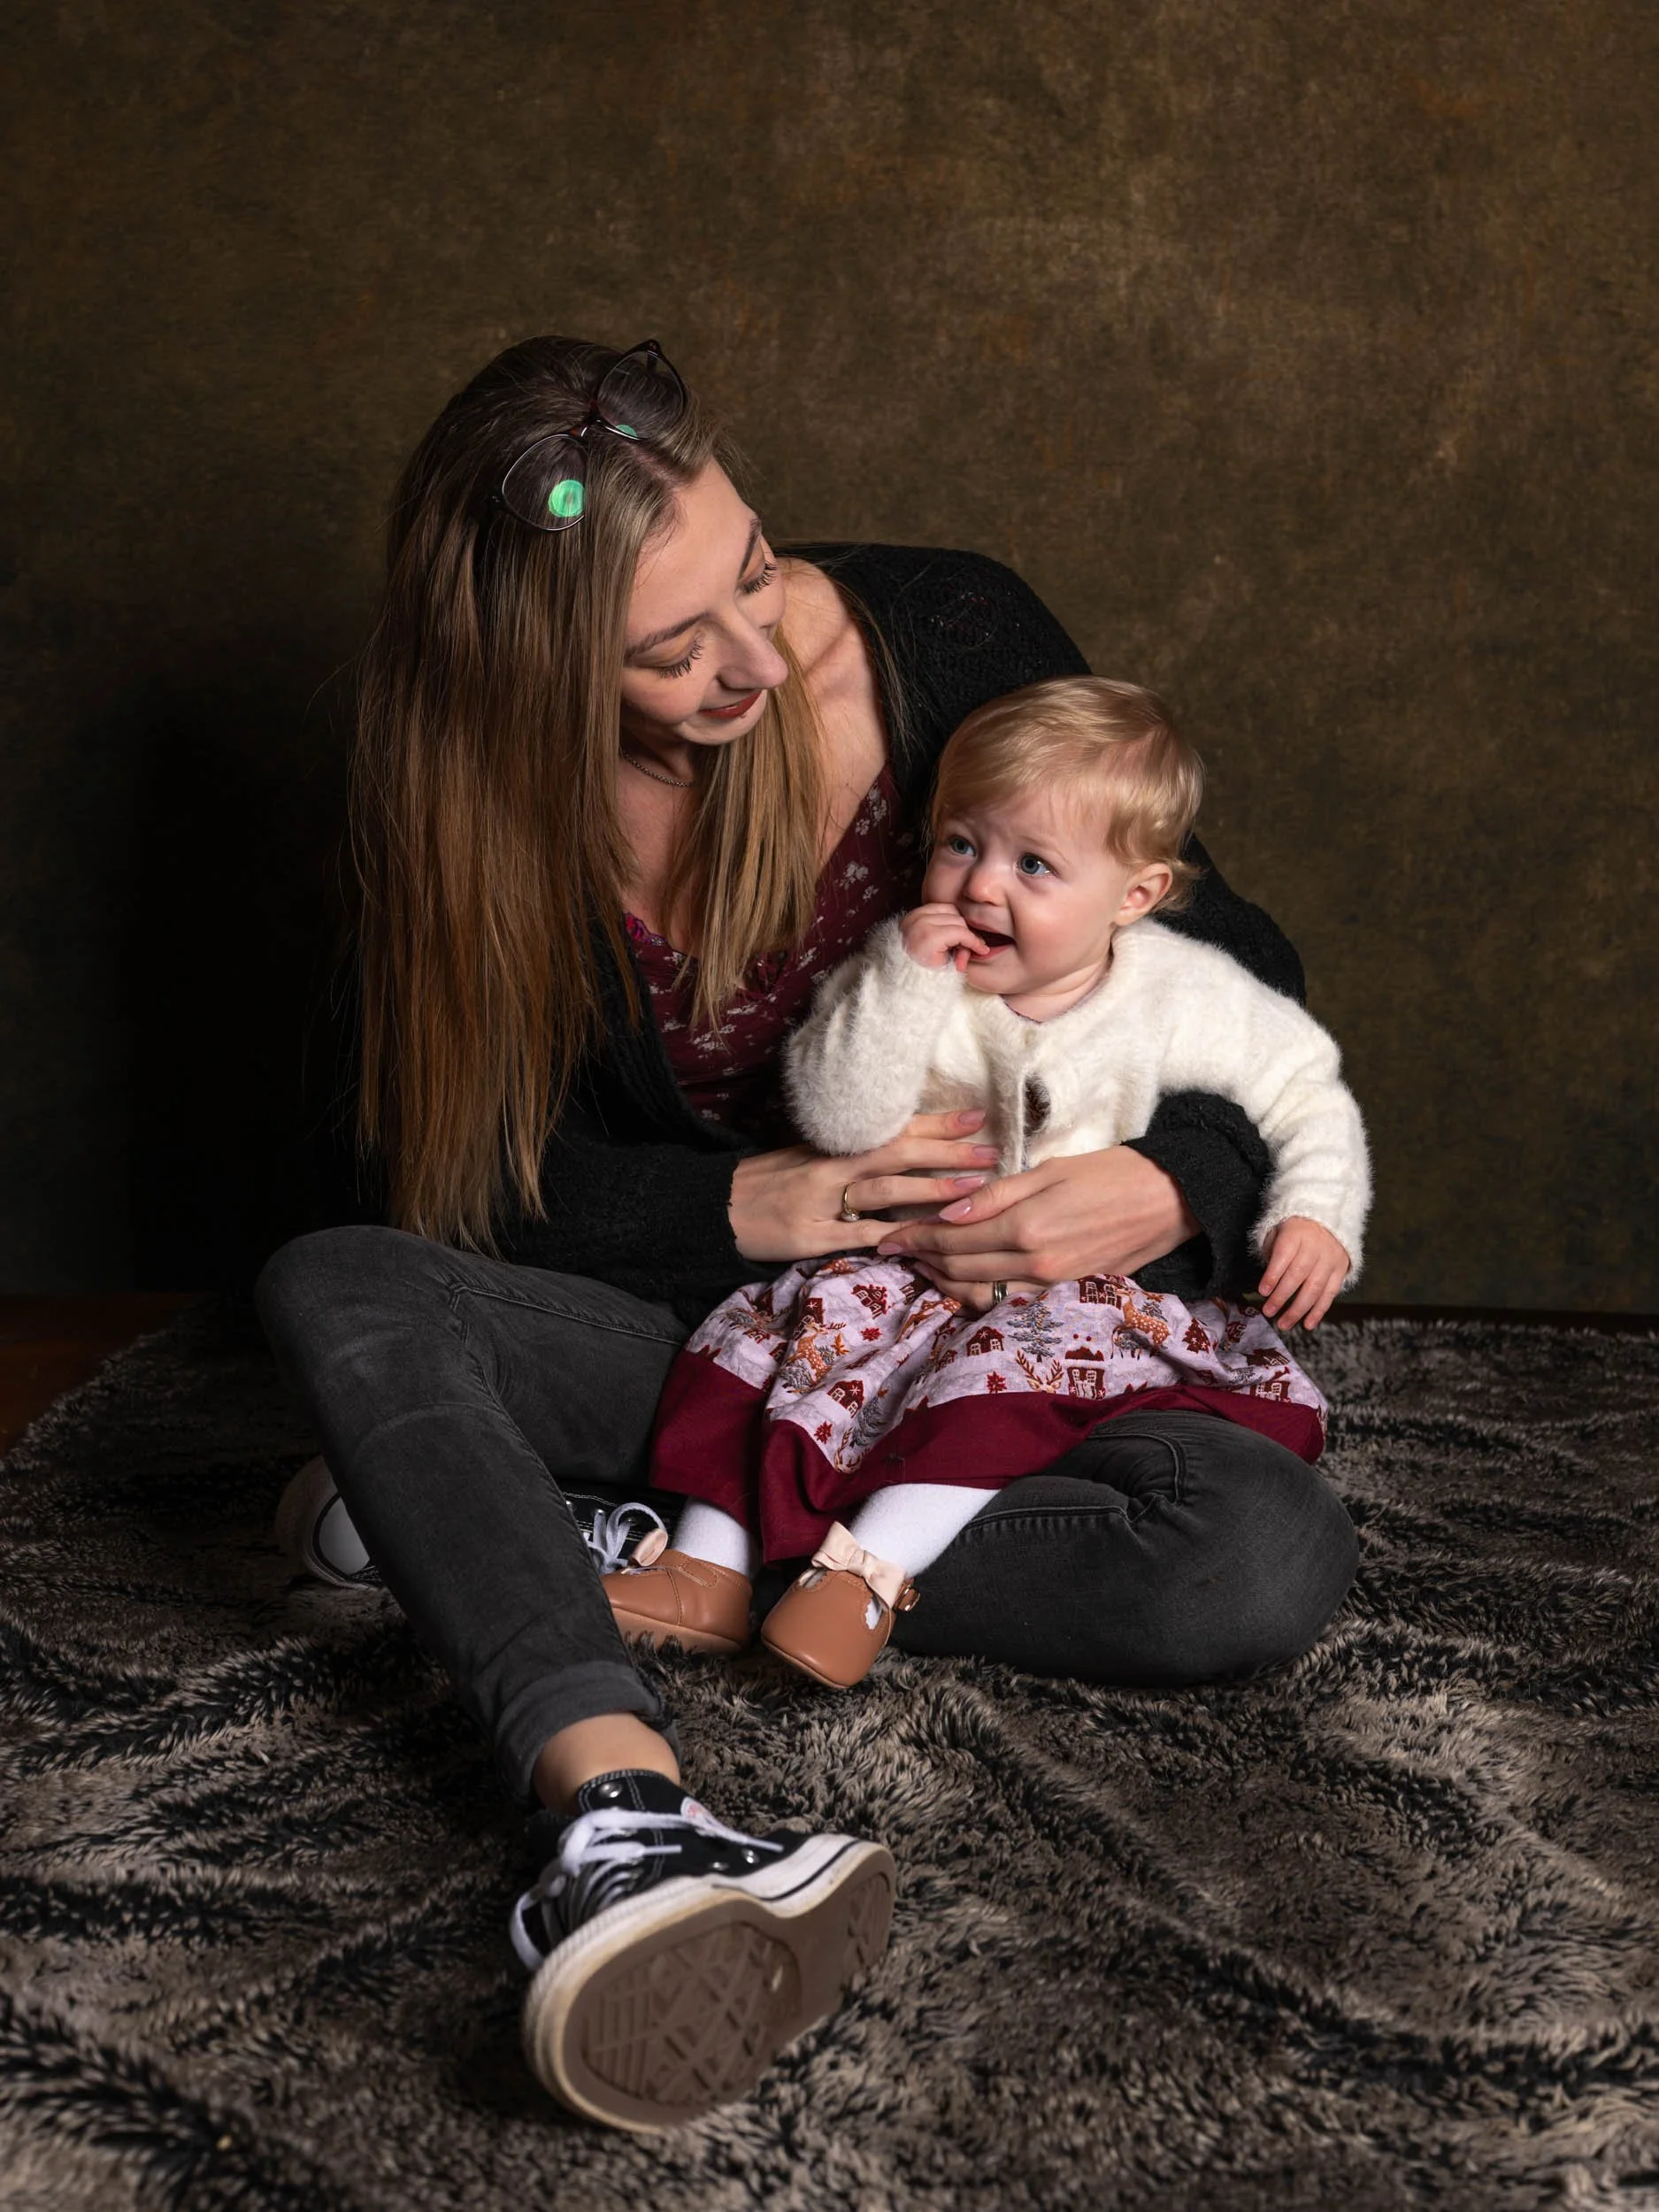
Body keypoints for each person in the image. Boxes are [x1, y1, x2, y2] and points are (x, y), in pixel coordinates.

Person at [254, 334, 1360, 2132]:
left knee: (1250, 1555)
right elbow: (417, 1178)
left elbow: (1227, 965)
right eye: (673, 643)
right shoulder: (454, 801)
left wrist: (1185, 1181)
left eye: (751, 569)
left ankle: (569, 1531)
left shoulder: (946, 635)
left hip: (990, 1365)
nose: (751, 657)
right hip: (733, 1353)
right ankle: (623, 1810)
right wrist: (737, 1201)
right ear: (529, 672)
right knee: (336, 1281)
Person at [611, 677, 1370, 1687]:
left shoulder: (1184, 992)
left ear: (1133, 896)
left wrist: (1315, 1214)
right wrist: (904, 987)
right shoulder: (905, 974)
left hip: (1071, 1308)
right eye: (961, 843)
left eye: (1036, 865)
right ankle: (707, 1567)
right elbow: (837, 1116)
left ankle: (866, 1576)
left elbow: (1306, 1091)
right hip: (900, 1279)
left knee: (991, 1387)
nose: (980, 886)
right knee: (757, 1346)